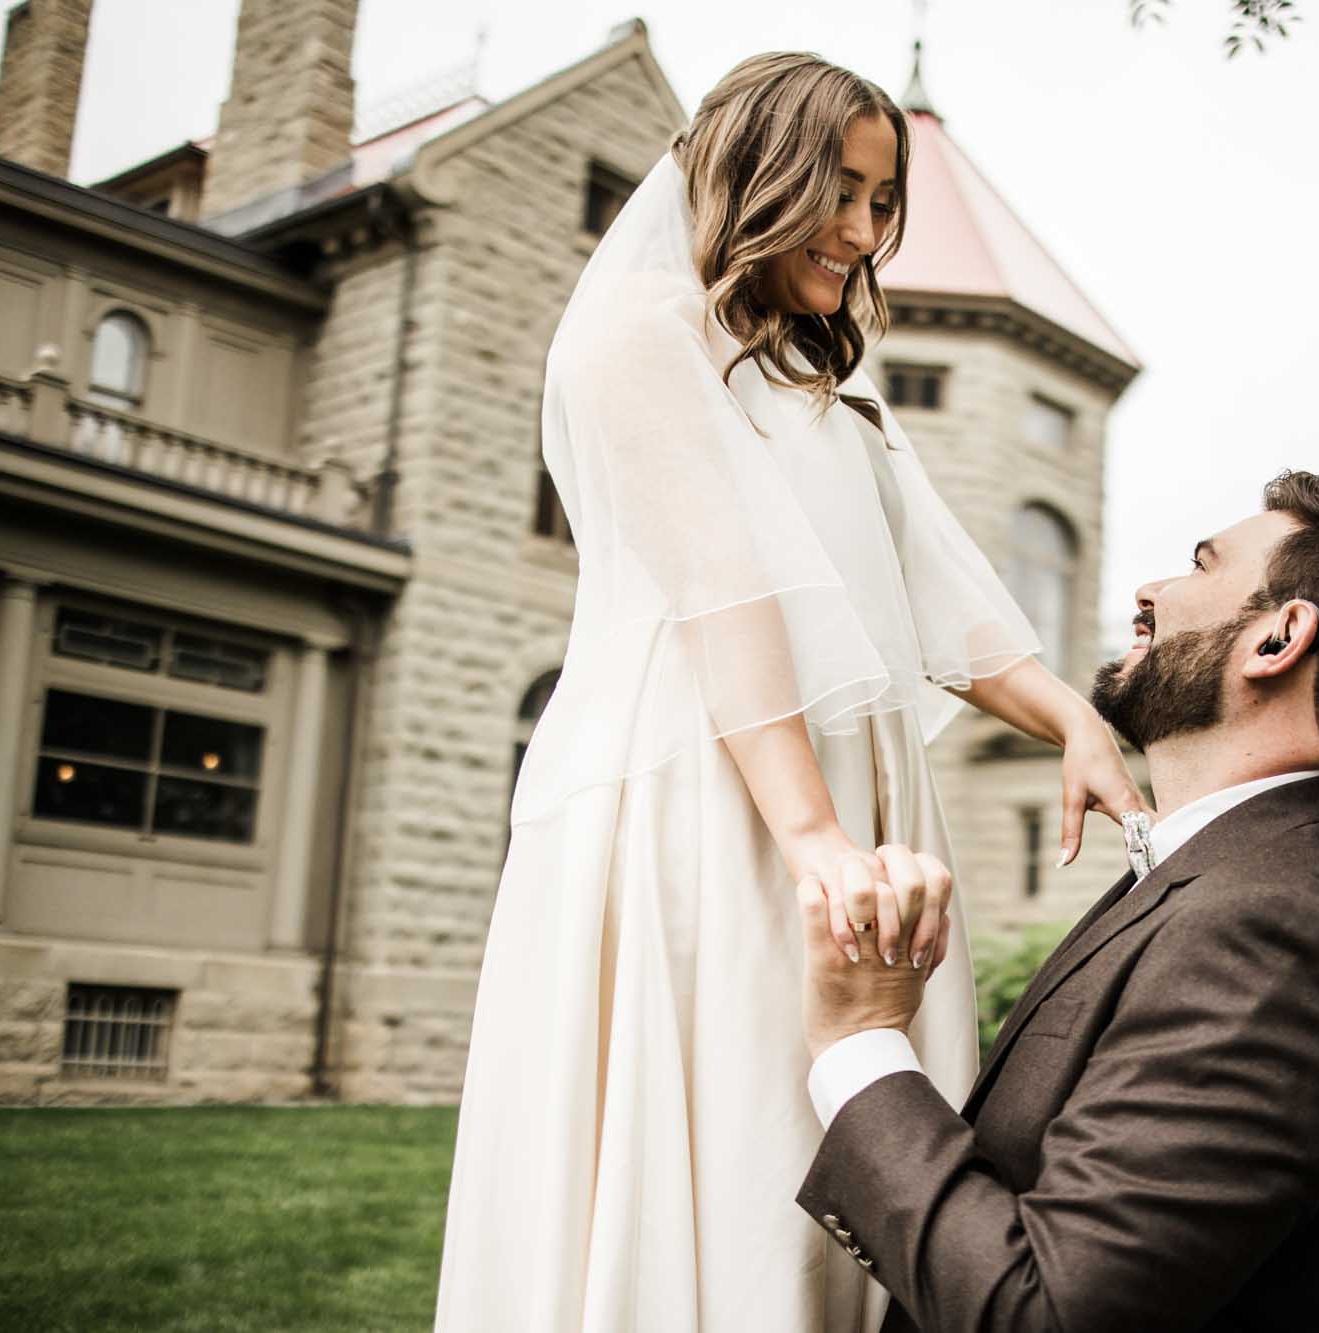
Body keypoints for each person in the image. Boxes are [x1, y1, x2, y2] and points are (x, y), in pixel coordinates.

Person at [433, 53, 1145, 1333]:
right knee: (739, 1126)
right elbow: (724, 597)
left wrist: (1072, 715)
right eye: (845, 192)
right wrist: (813, 838)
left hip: (850, 801)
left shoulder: (832, 378)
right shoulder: (638, 335)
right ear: (758, 171)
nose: (865, 231)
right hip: (711, 790)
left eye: (883, 203)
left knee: (866, 1117)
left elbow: (941, 582)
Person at [794, 471, 1319, 1332]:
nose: (1150, 590)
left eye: (1200, 566)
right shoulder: (1232, 880)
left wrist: (859, 1043)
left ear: (1277, 639)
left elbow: (1046, 1311)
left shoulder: (1279, 930)